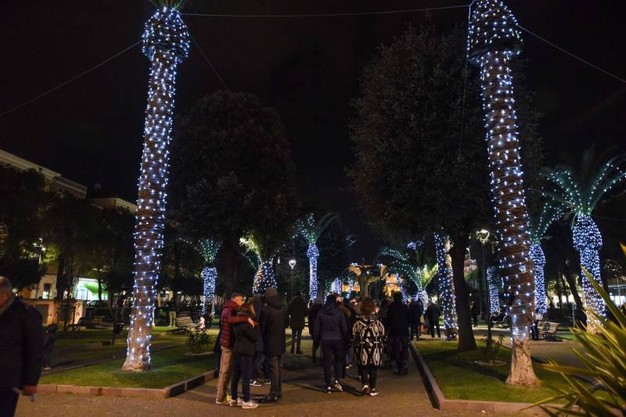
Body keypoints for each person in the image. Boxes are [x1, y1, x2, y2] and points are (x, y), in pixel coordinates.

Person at [0, 277, 44, 417]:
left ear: (5, 295)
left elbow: (35, 349)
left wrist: (30, 381)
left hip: (6, 381)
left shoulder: (26, 314)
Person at [215, 293, 255, 405]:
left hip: (227, 342)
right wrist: (246, 318)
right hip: (228, 344)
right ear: (237, 300)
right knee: (226, 371)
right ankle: (220, 397)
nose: (243, 302)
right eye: (242, 300)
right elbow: (231, 320)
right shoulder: (229, 309)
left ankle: (224, 395)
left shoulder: (229, 308)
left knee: (228, 371)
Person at [259, 287, 289, 403]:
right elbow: (286, 324)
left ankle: (274, 392)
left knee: (273, 368)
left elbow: (263, 328)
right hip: (280, 340)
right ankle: (278, 390)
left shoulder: (266, 311)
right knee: (279, 367)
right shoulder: (283, 309)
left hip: (270, 342)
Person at [314, 293, 347, 393]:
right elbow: (343, 326)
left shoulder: (321, 311)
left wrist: (316, 339)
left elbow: (317, 327)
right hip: (337, 338)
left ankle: (327, 383)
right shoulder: (339, 312)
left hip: (325, 339)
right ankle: (337, 379)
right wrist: (345, 337)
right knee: (338, 360)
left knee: (327, 362)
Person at [352, 297, 385, 397]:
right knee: (373, 368)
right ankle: (373, 388)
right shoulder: (377, 321)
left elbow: (354, 332)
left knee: (363, 366)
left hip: (362, 346)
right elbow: (382, 332)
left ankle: (365, 383)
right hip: (374, 346)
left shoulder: (358, 321)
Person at [230, 302, 259, 409]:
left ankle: (234, 398)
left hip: (237, 349)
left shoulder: (237, 320)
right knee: (246, 376)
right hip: (246, 351)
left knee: (236, 375)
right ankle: (246, 400)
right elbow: (255, 337)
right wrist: (256, 327)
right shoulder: (247, 322)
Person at [385, 291, 410, 375]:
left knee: (396, 348)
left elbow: (388, 319)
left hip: (394, 331)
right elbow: (408, 318)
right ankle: (405, 363)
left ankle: (399, 364)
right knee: (404, 348)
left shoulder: (391, 307)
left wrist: (387, 329)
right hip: (404, 330)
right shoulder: (405, 307)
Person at [307, 296, 323, 363]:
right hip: (321, 329)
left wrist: (310, 329)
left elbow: (309, 320)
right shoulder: (323, 309)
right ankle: (322, 358)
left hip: (314, 328)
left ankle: (314, 356)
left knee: (315, 343)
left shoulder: (312, 309)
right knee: (322, 343)